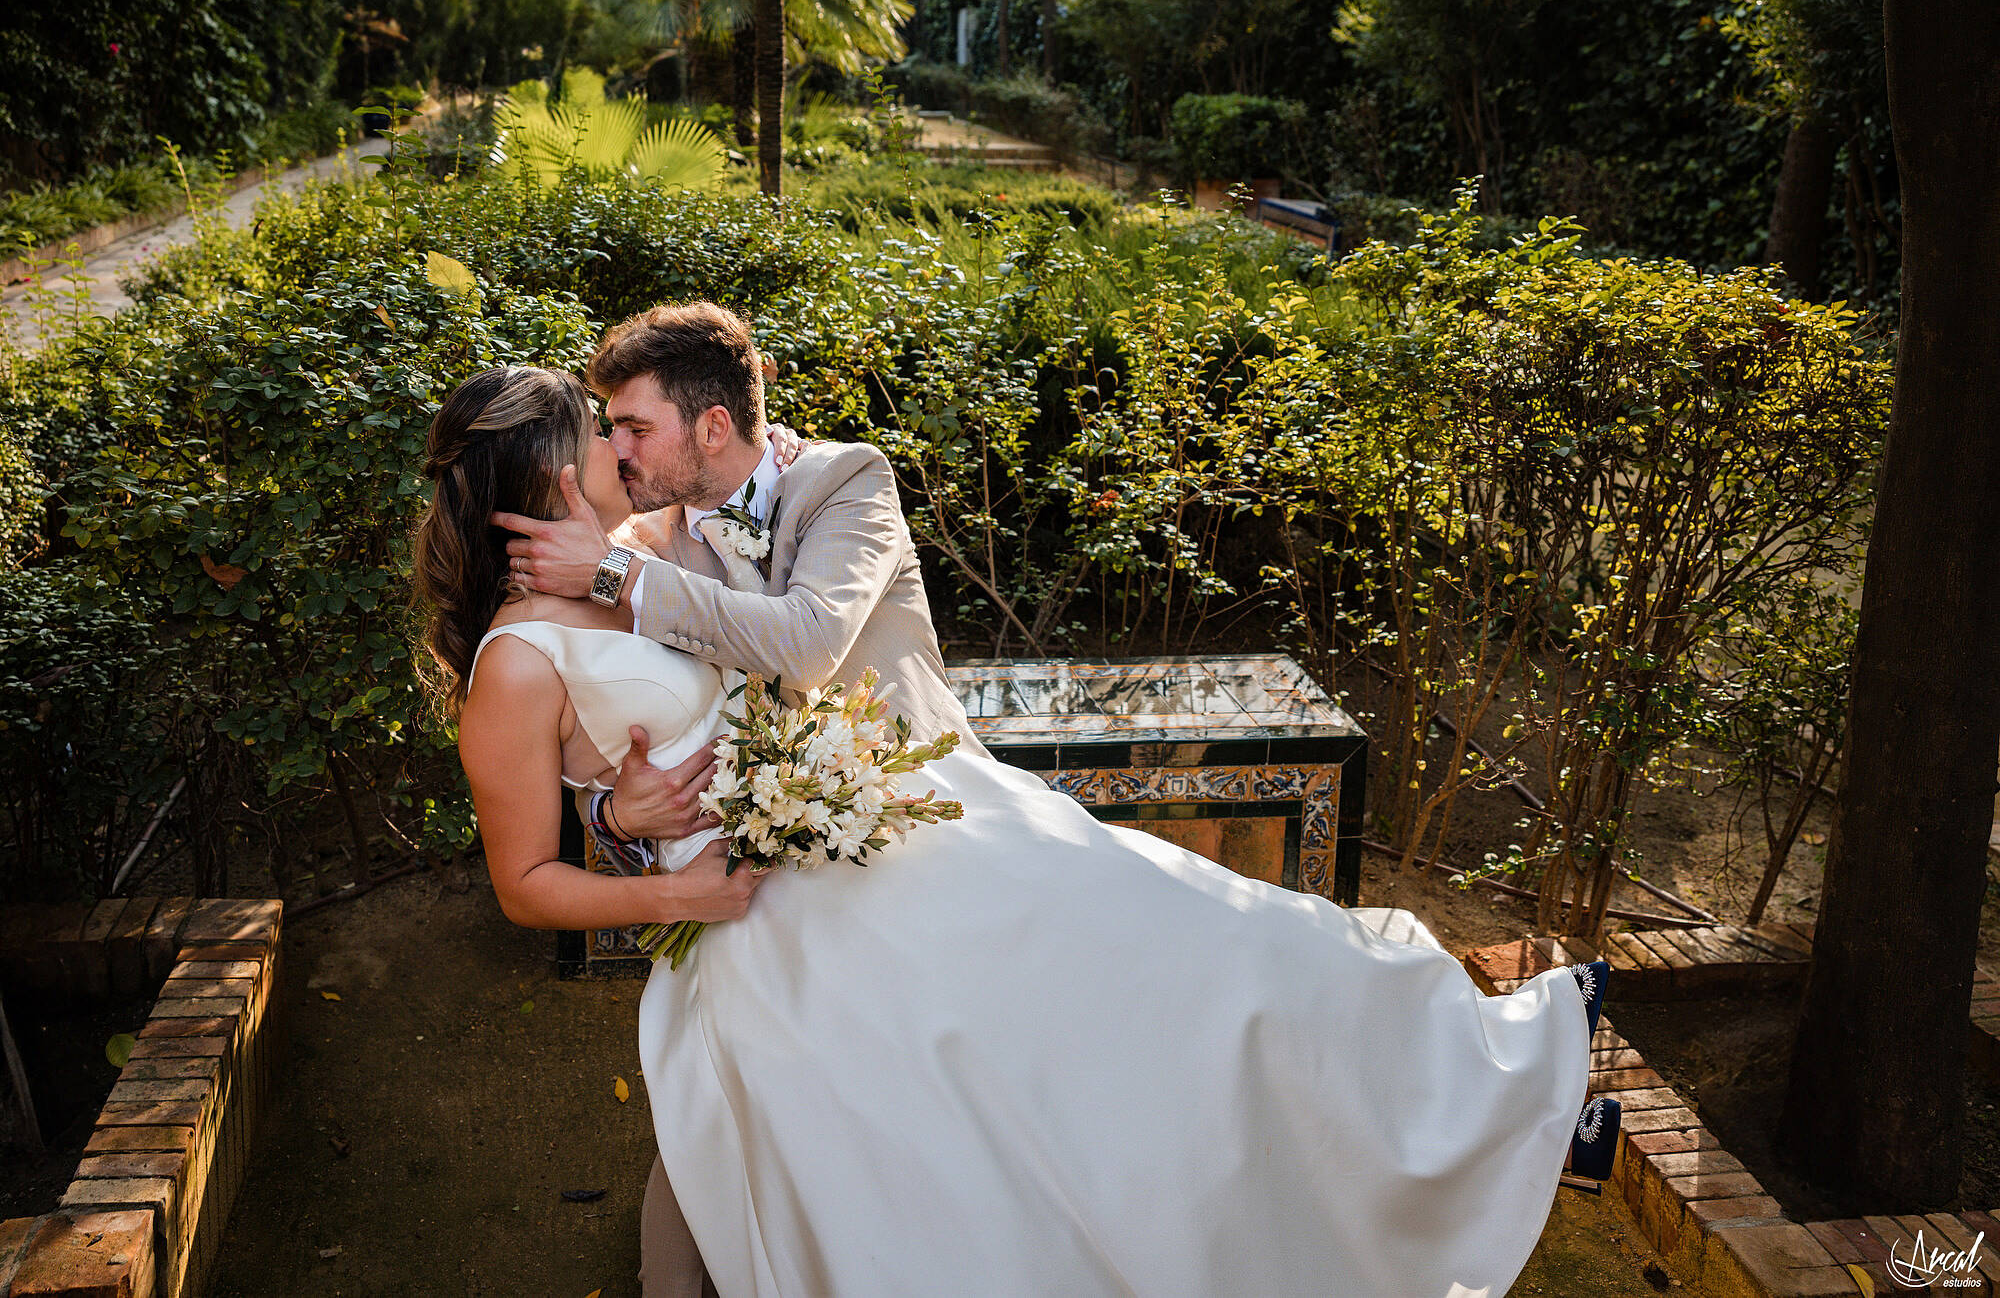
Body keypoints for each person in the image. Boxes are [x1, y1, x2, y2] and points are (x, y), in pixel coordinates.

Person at [418, 309, 1618, 1298]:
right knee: (828, 1116)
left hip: (922, 825)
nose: (618, 450)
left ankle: (1482, 1073)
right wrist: (628, 826)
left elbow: (798, 648)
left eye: (629, 426)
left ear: (710, 424)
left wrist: (615, 598)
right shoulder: (620, 556)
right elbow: (586, 769)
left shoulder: (821, 488)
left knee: (1195, 954)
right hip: (777, 881)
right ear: (546, 478)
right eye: (600, 434)